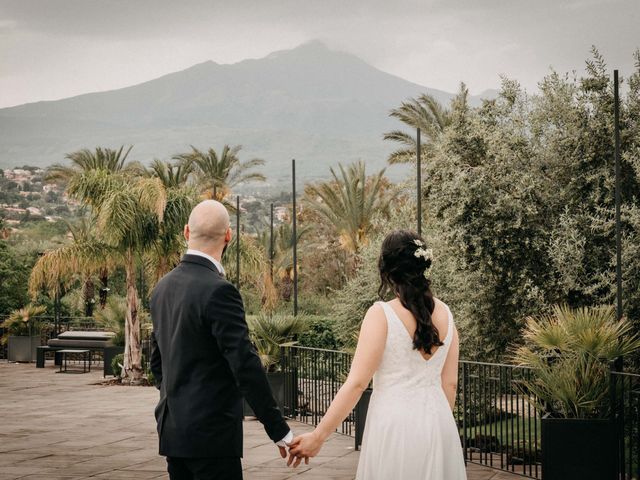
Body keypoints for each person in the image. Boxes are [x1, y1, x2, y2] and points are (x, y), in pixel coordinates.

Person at [287, 229, 467, 479]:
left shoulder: (381, 314)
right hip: (439, 424)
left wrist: (318, 437)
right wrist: (434, 423)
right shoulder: (447, 314)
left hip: (394, 426)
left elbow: (358, 383)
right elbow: (450, 383)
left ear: (386, 270)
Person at [150, 200, 292, 480]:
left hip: (173, 434)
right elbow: (244, 364)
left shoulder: (161, 288)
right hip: (212, 438)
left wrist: (178, 400)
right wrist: (278, 430)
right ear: (229, 236)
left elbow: (157, 362)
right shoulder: (219, 291)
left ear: (186, 231)